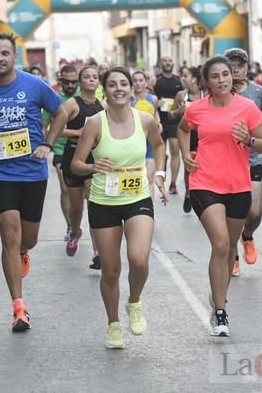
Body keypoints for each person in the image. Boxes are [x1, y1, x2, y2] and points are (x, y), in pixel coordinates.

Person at [0, 33, 67, 332]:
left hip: (32, 173)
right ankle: (19, 308)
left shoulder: (34, 86)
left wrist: (47, 142)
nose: (0, 58)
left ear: (13, 56)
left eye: (5, 53)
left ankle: (22, 252)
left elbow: (60, 112)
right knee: (9, 235)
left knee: (26, 239)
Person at [71, 66, 167, 349]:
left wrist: (159, 174)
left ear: (131, 88)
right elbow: (76, 164)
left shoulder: (146, 120)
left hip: (137, 198)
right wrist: (91, 165)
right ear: (105, 90)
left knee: (139, 260)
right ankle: (113, 324)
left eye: (124, 83)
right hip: (104, 203)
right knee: (110, 270)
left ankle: (134, 301)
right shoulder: (94, 123)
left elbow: (159, 146)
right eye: (112, 85)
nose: (119, 89)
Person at [177, 55, 262, 336]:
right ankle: (220, 311)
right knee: (219, 245)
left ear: (233, 78)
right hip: (204, 182)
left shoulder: (249, 107)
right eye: (215, 76)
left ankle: (218, 294)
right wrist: (185, 156)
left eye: (225, 75)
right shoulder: (197, 109)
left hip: (238, 186)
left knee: (229, 247)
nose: (221, 80)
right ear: (206, 81)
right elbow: (183, 130)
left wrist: (248, 140)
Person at [224, 48, 262, 276]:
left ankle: (247, 235)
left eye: (240, 64)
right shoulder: (220, 92)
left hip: (252, 157)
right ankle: (232, 253)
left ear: (247, 67)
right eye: (231, 65)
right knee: (231, 213)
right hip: (226, 160)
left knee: (254, 213)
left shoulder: (258, 91)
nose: (236, 69)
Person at [60, 66, 104, 267]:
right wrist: (78, 133)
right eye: (87, 76)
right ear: (80, 81)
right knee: (77, 207)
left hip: (92, 159)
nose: (91, 80)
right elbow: (55, 129)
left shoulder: (102, 106)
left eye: (95, 77)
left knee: (93, 204)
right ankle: (75, 232)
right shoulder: (72, 104)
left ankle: (97, 252)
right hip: (73, 158)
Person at [46, 64, 78, 242]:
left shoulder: (86, 95)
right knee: (65, 189)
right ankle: (70, 226)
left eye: (74, 82)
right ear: (60, 81)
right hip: (60, 148)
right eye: (67, 82)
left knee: (87, 194)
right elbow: (47, 126)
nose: (71, 85)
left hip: (84, 149)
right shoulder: (53, 98)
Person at [172, 66, 204, 213]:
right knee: (189, 165)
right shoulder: (181, 95)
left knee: (203, 165)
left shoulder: (206, 94)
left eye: (186, 76)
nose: (182, 79)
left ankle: (203, 195)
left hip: (203, 135)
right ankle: (189, 193)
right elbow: (171, 113)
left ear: (195, 79)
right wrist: (180, 111)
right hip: (187, 134)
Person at [153, 55, 183, 195]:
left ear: (173, 63)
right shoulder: (156, 80)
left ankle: (173, 183)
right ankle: (162, 177)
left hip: (175, 120)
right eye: (165, 61)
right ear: (161, 63)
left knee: (175, 151)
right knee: (161, 153)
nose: (167, 63)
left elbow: (184, 97)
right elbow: (148, 97)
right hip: (160, 121)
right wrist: (155, 102)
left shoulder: (179, 81)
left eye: (170, 60)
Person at [130, 71, 160, 199]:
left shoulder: (153, 99)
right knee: (133, 178)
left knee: (149, 178)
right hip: (132, 144)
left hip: (149, 144)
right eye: (135, 80)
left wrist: (158, 124)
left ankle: (150, 211)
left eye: (140, 80)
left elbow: (156, 116)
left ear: (145, 82)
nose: (138, 83)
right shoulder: (127, 100)